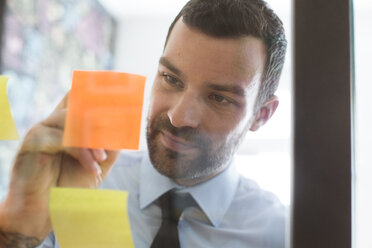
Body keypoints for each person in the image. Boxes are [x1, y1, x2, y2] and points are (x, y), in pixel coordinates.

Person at [0, 0, 287, 247]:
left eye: (218, 98)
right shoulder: (73, 186)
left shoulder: (283, 234)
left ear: (261, 115)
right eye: (171, 79)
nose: (178, 116)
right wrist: (18, 224)